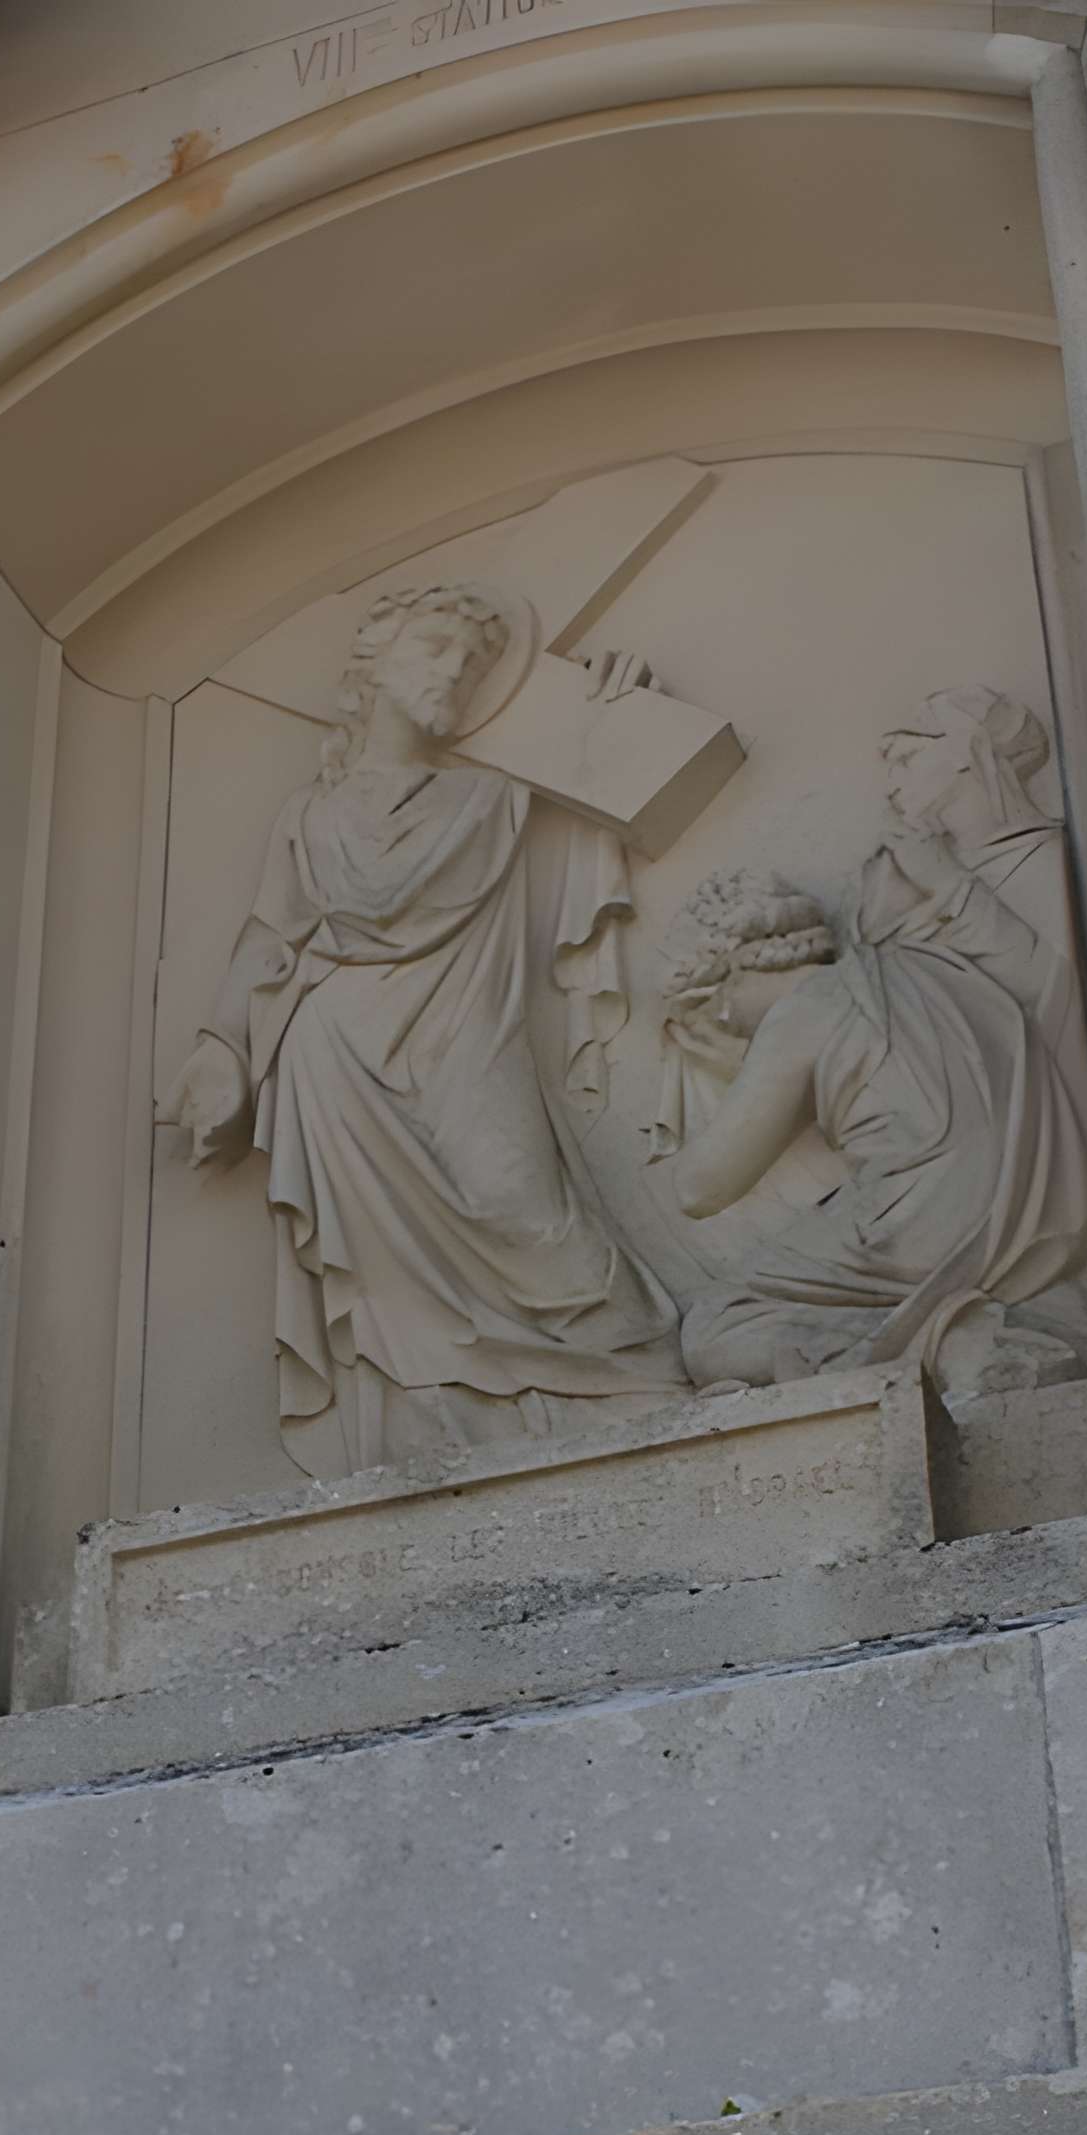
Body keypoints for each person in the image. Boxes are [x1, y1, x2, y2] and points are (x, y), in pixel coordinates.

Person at [170, 582, 688, 1478]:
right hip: (335, 1055)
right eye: (436, 648)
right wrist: (223, 1049)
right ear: (373, 666)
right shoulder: (310, 814)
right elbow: (270, 934)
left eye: (474, 663)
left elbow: (609, 785)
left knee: (521, 1205)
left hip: (464, 1032)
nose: (456, 672)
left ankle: (635, 1382)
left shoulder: (496, 794)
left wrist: (614, 708)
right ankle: (434, 1434)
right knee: (387, 1274)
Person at [653, 834, 1087, 1396]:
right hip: (1018, 1198)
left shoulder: (805, 1008)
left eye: (701, 1008)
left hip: (916, 1213)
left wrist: (722, 1060)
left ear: (730, 975)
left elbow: (700, 1187)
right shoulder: (913, 964)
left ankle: (950, 1344)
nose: (719, 1023)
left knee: (718, 1326)